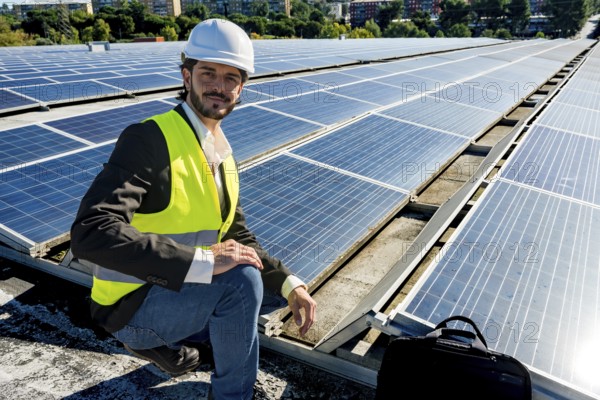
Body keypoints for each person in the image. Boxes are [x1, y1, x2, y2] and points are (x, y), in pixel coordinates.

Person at [70, 18, 317, 400]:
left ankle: (177, 351)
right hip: (131, 305)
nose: (220, 86)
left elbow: (237, 236)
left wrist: (291, 286)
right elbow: (90, 232)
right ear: (186, 76)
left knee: (256, 283)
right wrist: (201, 262)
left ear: (242, 87)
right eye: (208, 73)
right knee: (240, 284)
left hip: (176, 291)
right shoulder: (150, 138)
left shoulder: (223, 152)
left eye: (231, 77)